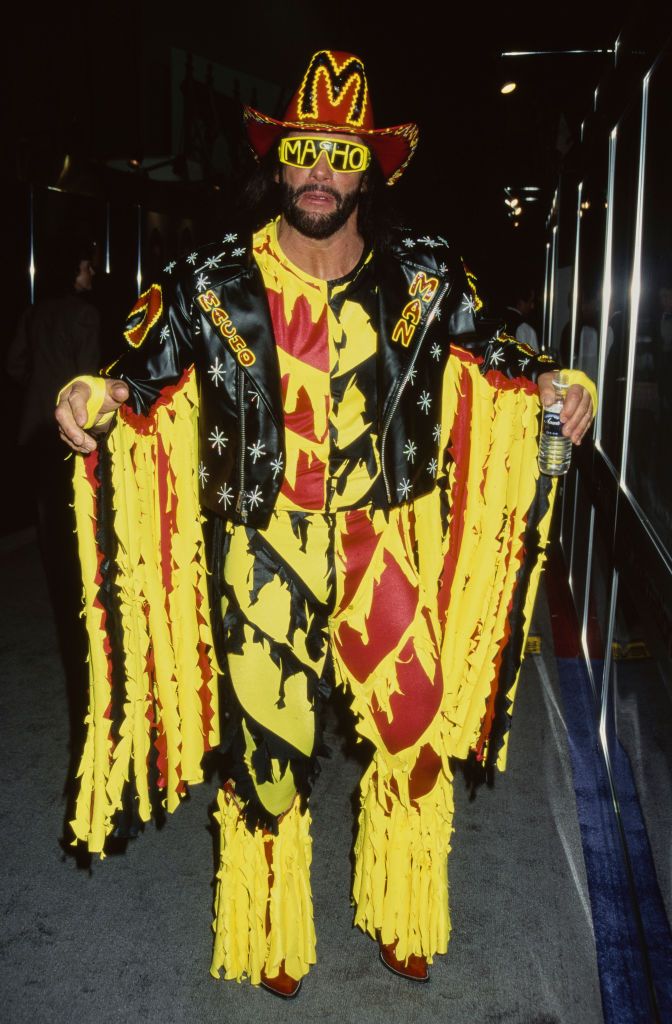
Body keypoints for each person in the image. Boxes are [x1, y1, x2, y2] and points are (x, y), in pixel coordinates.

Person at [55, 50, 595, 999]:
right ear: (280, 162)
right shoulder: (212, 280)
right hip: (264, 547)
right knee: (266, 764)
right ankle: (270, 929)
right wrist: (89, 392)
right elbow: (132, 371)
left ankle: (403, 903)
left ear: (369, 169)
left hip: (385, 539)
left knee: (416, 739)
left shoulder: (426, 275)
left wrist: (561, 380)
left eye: (338, 156)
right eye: (303, 152)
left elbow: (505, 347)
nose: (318, 173)